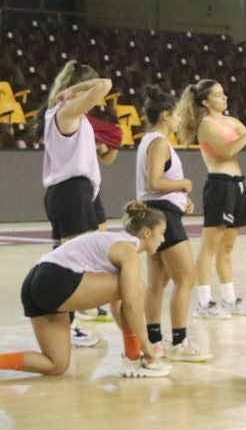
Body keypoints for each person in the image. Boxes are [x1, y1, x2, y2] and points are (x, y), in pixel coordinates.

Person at [0, 201, 170, 378]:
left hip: (35, 281)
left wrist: (135, 340)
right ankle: (133, 360)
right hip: (55, 279)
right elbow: (131, 306)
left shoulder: (116, 241)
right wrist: (145, 345)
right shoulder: (128, 250)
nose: (163, 239)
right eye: (162, 233)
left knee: (56, 364)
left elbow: (117, 307)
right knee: (137, 287)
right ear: (148, 233)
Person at [136, 87, 210, 362]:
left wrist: (181, 198)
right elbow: (154, 183)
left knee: (158, 281)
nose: (179, 119)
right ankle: (179, 341)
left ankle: (155, 339)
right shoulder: (159, 142)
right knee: (186, 278)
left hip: (157, 211)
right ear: (166, 115)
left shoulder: (149, 140)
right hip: (163, 215)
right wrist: (183, 184)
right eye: (177, 114)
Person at [41, 60, 112, 348]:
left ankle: (64, 325)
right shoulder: (66, 111)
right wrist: (75, 89)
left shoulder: (72, 116)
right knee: (75, 264)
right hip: (71, 193)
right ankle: (67, 328)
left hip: (71, 192)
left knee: (64, 262)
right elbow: (104, 85)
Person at [178, 79, 246, 319]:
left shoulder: (231, 122)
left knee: (227, 247)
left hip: (237, 184)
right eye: (219, 95)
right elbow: (227, 150)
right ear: (205, 101)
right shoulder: (205, 125)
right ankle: (204, 301)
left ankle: (230, 298)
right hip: (220, 185)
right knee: (210, 246)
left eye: (223, 94)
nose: (225, 98)